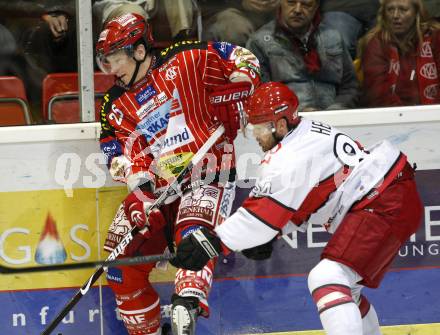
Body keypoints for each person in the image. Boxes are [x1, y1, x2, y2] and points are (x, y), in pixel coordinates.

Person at [171, 82, 423, 335]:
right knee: (348, 291)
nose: (256, 135)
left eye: (259, 127)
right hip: (389, 197)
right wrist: (274, 233)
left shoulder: (289, 156)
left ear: (280, 125)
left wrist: (212, 242)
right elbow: (308, 200)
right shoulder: (304, 132)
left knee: (326, 277)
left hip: (383, 202)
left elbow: (260, 216)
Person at [96, 12, 260, 335]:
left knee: (193, 238)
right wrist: (140, 194)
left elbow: (243, 57)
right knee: (118, 266)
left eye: (116, 60)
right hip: (158, 191)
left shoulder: (187, 59)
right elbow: (120, 152)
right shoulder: (114, 103)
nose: (111, 70)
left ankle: (187, 308)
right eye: (106, 62)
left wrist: (241, 86)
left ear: (139, 51)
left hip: (207, 173)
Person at [246, 0, 359, 112]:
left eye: (306, 4)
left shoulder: (333, 37)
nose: (298, 10)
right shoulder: (259, 42)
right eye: (291, 2)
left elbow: (350, 86)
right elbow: (261, 94)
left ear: (316, 6)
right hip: (286, 120)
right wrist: (296, 112)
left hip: (333, 117)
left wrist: (335, 110)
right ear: (281, 2)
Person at [358, 0, 440, 107]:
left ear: (416, 13)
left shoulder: (435, 37)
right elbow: (378, 96)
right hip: (392, 117)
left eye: (403, 9)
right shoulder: (375, 43)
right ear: (383, 14)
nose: (395, 15)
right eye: (390, 10)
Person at [202, 0, 280, 47]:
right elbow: (208, 5)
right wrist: (241, 2)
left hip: (275, 15)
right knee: (234, 27)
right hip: (227, 14)